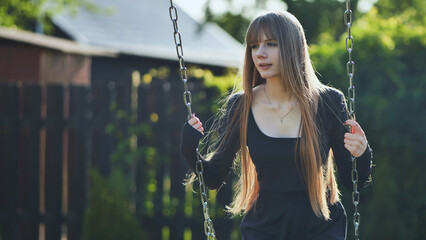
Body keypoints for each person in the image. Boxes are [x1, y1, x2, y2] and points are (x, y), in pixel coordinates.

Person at [180, 11, 372, 240]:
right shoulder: (241, 105)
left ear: (293, 47)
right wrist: (189, 150)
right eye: (254, 45)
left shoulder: (329, 102)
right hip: (264, 229)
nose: (260, 53)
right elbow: (212, 177)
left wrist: (362, 153)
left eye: (271, 44)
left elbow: (354, 183)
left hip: (320, 228)